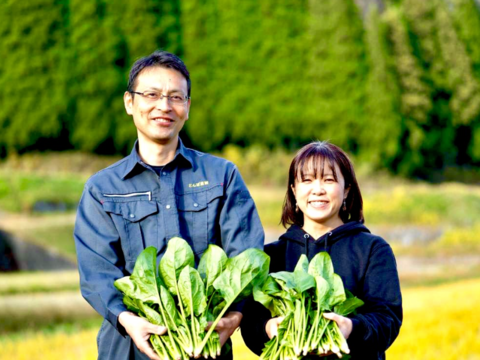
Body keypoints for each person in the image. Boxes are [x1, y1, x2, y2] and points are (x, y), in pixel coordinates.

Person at [74, 50, 264, 360]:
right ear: (129, 102)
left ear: (187, 107)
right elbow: (97, 273)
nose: (164, 106)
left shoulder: (222, 176)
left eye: (176, 97)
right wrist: (128, 319)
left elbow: (246, 254)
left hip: (204, 345)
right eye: (151, 94)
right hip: (127, 348)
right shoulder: (102, 189)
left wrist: (237, 314)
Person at [241, 141, 402, 359]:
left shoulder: (373, 249)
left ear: (346, 190)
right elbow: (251, 323)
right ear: (293, 190)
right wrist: (268, 328)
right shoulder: (271, 255)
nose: (318, 190)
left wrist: (350, 327)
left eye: (329, 180)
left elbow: (387, 320)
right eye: (307, 180)